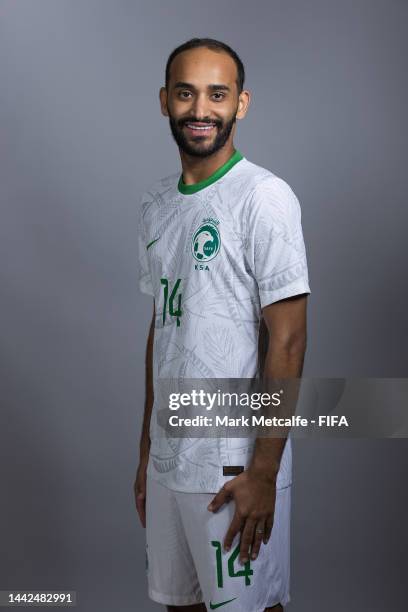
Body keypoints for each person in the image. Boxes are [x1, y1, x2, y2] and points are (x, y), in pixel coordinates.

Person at [134, 37, 310, 612]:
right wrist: (146, 455)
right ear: (165, 101)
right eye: (186, 94)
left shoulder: (265, 197)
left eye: (217, 94)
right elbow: (162, 330)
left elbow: (288, 337)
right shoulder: (156, 205)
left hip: (233, 462)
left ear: (242, 103)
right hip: (169, 459)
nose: (200, 110)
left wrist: (264, 471)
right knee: (178, 606)